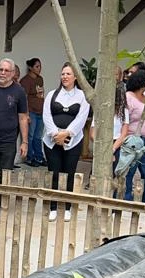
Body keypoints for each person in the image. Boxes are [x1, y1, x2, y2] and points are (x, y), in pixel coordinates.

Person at [42, 62, 90, 217]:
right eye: (63, 74)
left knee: (70, 173)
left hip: (73, 141)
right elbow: (46, 116)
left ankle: (67, 207)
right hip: (52, 141)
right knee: (54, 173)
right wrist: (56, 135)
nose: (65, 76)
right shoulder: (52, 95)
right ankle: (53, 207)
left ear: (75, 77)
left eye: (68, 74)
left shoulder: (82, 96)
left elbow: (81, 118)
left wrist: (67, 134)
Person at [121, 70, 145, 203]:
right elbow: (124, 120)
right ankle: (125, 196)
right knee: (129, 170)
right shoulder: (128, 98)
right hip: (134, 140)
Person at [20, 57, 46, 166]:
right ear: (30, 68)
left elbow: (41, 93)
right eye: (37, 66)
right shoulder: (25, 81)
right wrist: (26, 114)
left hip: (40, 111)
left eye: (40, 66)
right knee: (30, 136)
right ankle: (30, 158)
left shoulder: (40, 79)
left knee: (38, 136)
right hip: (31, 111)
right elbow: (24, 98)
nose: (39, 68)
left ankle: (39, 157)